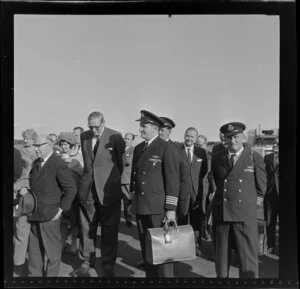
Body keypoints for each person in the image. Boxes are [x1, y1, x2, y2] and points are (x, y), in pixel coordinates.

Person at [211, 122, 266, 278]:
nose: (232, 141)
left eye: (236, 136)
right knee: (221, 263)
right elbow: (217, 181)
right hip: (223, 214)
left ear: (242, 137)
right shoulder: (217, 158)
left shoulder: (254, 157)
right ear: (224, 139)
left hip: (244, 216)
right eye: (228, 138)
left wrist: (250, 208)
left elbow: (261, 189)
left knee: (248, 261)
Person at [129, 110, 179, 277]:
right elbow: (134, 178)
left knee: (164, 253)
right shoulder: (138, 149)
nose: (140, 129)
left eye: (143, 126)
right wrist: (132, 201)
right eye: (141, 126)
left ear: (155, 128)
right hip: (141, 206)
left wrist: (171, 209)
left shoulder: (166, 148)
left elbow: (172, 181)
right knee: (147, 251)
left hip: (158, 209)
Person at [75, 111, 125, 277]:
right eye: (91, 127)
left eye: (97, 127)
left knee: (109, 230)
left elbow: (120, 164)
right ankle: (87, 261)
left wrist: (111, 183)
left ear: (104, 122)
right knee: (86, 228)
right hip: (88, 190)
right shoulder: (84, 136)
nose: (94, 130)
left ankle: (108, 263)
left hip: (108, 191)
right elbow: (88, 165)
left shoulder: (115, 137)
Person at [27, 134, 77, 277]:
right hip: (34, 213)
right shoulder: (36, 163)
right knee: (34, 251)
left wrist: (60, 210)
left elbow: (71, 189)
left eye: (39, 145)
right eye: (35, 146)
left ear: (49, 145)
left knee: (52, 253)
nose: (36, 149)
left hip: (50, 215)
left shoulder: (58, 163)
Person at [176, 127, 208, 256]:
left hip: (196, 192)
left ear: (196, 138)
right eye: (187, 136)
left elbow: (204, 171)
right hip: (181, 191)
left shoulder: (201, 152)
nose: (189, 139)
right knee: (182, 219)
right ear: (184, 135)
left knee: (196, 221)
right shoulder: (177, 150)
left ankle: (196, 246)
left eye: (192, 137)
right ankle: (183, 247)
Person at [13, 129, 38, 272]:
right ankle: (19, 263)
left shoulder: (38, 152)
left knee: (34, 229)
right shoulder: (19, 150)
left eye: (28, 138)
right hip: (21, 189)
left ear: (34, 140)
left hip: (34, 190)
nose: (26, 140)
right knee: (21, 227)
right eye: (25, 138)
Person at [58, 132, 83, 255]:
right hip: (60, 196)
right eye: (62, 144)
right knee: (62, 222)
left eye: (66, 144)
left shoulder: (76, 161)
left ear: (71, 146)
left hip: (73, 197)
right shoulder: (57, 159)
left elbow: (80, 177)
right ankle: (62, 243)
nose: (64, 146)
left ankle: (73, 244)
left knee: (74, 222)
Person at [264, 138, 279, 255]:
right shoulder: (267, 158)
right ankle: (270, 245)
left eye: (277, 143)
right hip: (270, 195)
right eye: (274, 143)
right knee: (269, 222)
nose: (274, 145)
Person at [121, 132, 135, 227]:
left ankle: (128, 219)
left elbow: (127, 162)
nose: (126, 140)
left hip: (127, 178)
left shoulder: (134, 150)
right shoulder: (120, 150)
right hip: (117, 178)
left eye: (129, 139)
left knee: (127, 201)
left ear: (132, 140)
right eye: (125, 138)